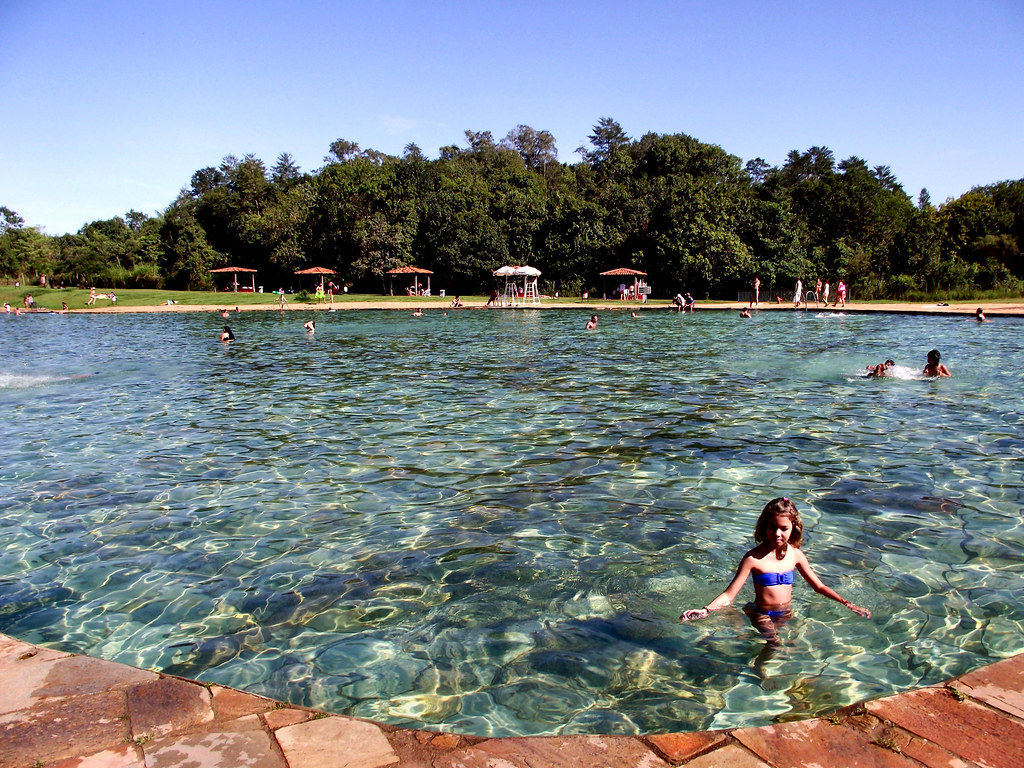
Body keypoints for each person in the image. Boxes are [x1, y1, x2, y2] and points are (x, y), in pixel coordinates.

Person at [680, 498, 870, 644]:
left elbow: (818, 586)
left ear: (793, 528)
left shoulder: (795, 555)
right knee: (774, 643)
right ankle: (760, 672)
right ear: (765, 526)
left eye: (784, 528)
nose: (778, 534)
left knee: (799, 643)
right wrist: (705, 610)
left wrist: (847, 603)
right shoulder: (753, 559)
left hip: (785, 613)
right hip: (761, 613)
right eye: (772, 527)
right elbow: (729, 595)